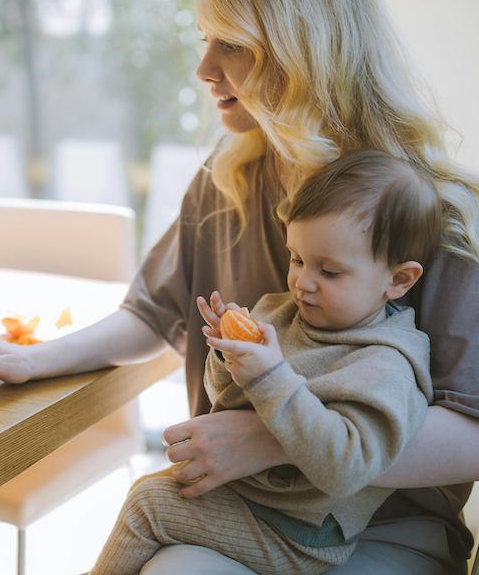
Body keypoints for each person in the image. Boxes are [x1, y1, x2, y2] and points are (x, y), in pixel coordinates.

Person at [0, 0, 479, 574]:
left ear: (301, 47)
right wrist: (33, 359)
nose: (203, 69)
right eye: (204, 40)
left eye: (232, 44)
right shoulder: (228, 176)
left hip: (380, 529)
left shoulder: (432, 210)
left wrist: (276, 437)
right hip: (244, 504)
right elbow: (151, 313)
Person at [89, 150, 441, 575]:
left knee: (148, 505)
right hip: (252, 499)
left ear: (398, 280)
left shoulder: (386, 364)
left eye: (329, 272)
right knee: (154, 491)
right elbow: (227, 400)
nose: (302, 283)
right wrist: (228, 355)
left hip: (299, 533)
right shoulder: (282, 312)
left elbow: (347, 468)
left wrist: (271, 377)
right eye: (297, 259)